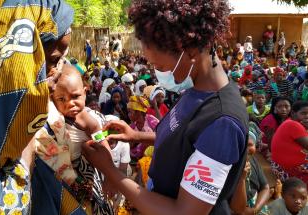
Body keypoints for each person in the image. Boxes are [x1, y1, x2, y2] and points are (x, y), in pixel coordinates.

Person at [82, 1, 248, 214]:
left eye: (160, 66)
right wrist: (137, 136)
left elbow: (183, 212)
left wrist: (110, 170)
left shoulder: (222, 123)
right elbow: (185, 141)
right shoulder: (196, 90)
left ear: (190, 50)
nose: (158, 73)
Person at [0, 0, 73, 213]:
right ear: (15, 62)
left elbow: (63, 176)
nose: (56, 73)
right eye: (52, 61)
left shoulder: (23, 123)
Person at [32, 64, 113, 214]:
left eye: (75, 96)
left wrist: (110, 174)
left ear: (85, 92)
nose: (70, 104)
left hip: (84, 176)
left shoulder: (86, 119)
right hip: (61, 179)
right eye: (61, 99)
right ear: (52, 99)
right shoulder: (53, 117)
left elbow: (101, 140)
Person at [271, 101, 308, 184]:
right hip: (287, 171)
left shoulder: (289, 122)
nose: (307, 116)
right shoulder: (293, 125)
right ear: (293, 113)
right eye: (303, 113)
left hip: (281, 168)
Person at [127, 96, 159, 162]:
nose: (128, 115)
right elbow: (129, 145)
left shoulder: (151, 120)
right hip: (135, 158)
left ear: (138, 112)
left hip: (152, 156)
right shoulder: (132, 126)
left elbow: (161, 134)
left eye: (130, 112)